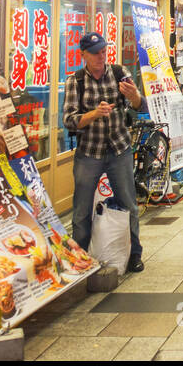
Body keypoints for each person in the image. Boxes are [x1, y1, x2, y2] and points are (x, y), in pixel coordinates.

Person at [63, 31, 147, 272]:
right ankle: (79, 259)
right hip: (89, 152)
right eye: (96, 53)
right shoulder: (75, 81)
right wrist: (93, 114)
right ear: (84, 55)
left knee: (129, 203)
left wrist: (135, 97)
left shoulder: (120, 73)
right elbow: (69, 120)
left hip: (119, 148)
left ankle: (134, 254)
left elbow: (140, 106)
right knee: (81, 209)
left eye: (103, 51)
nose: (101, 57)